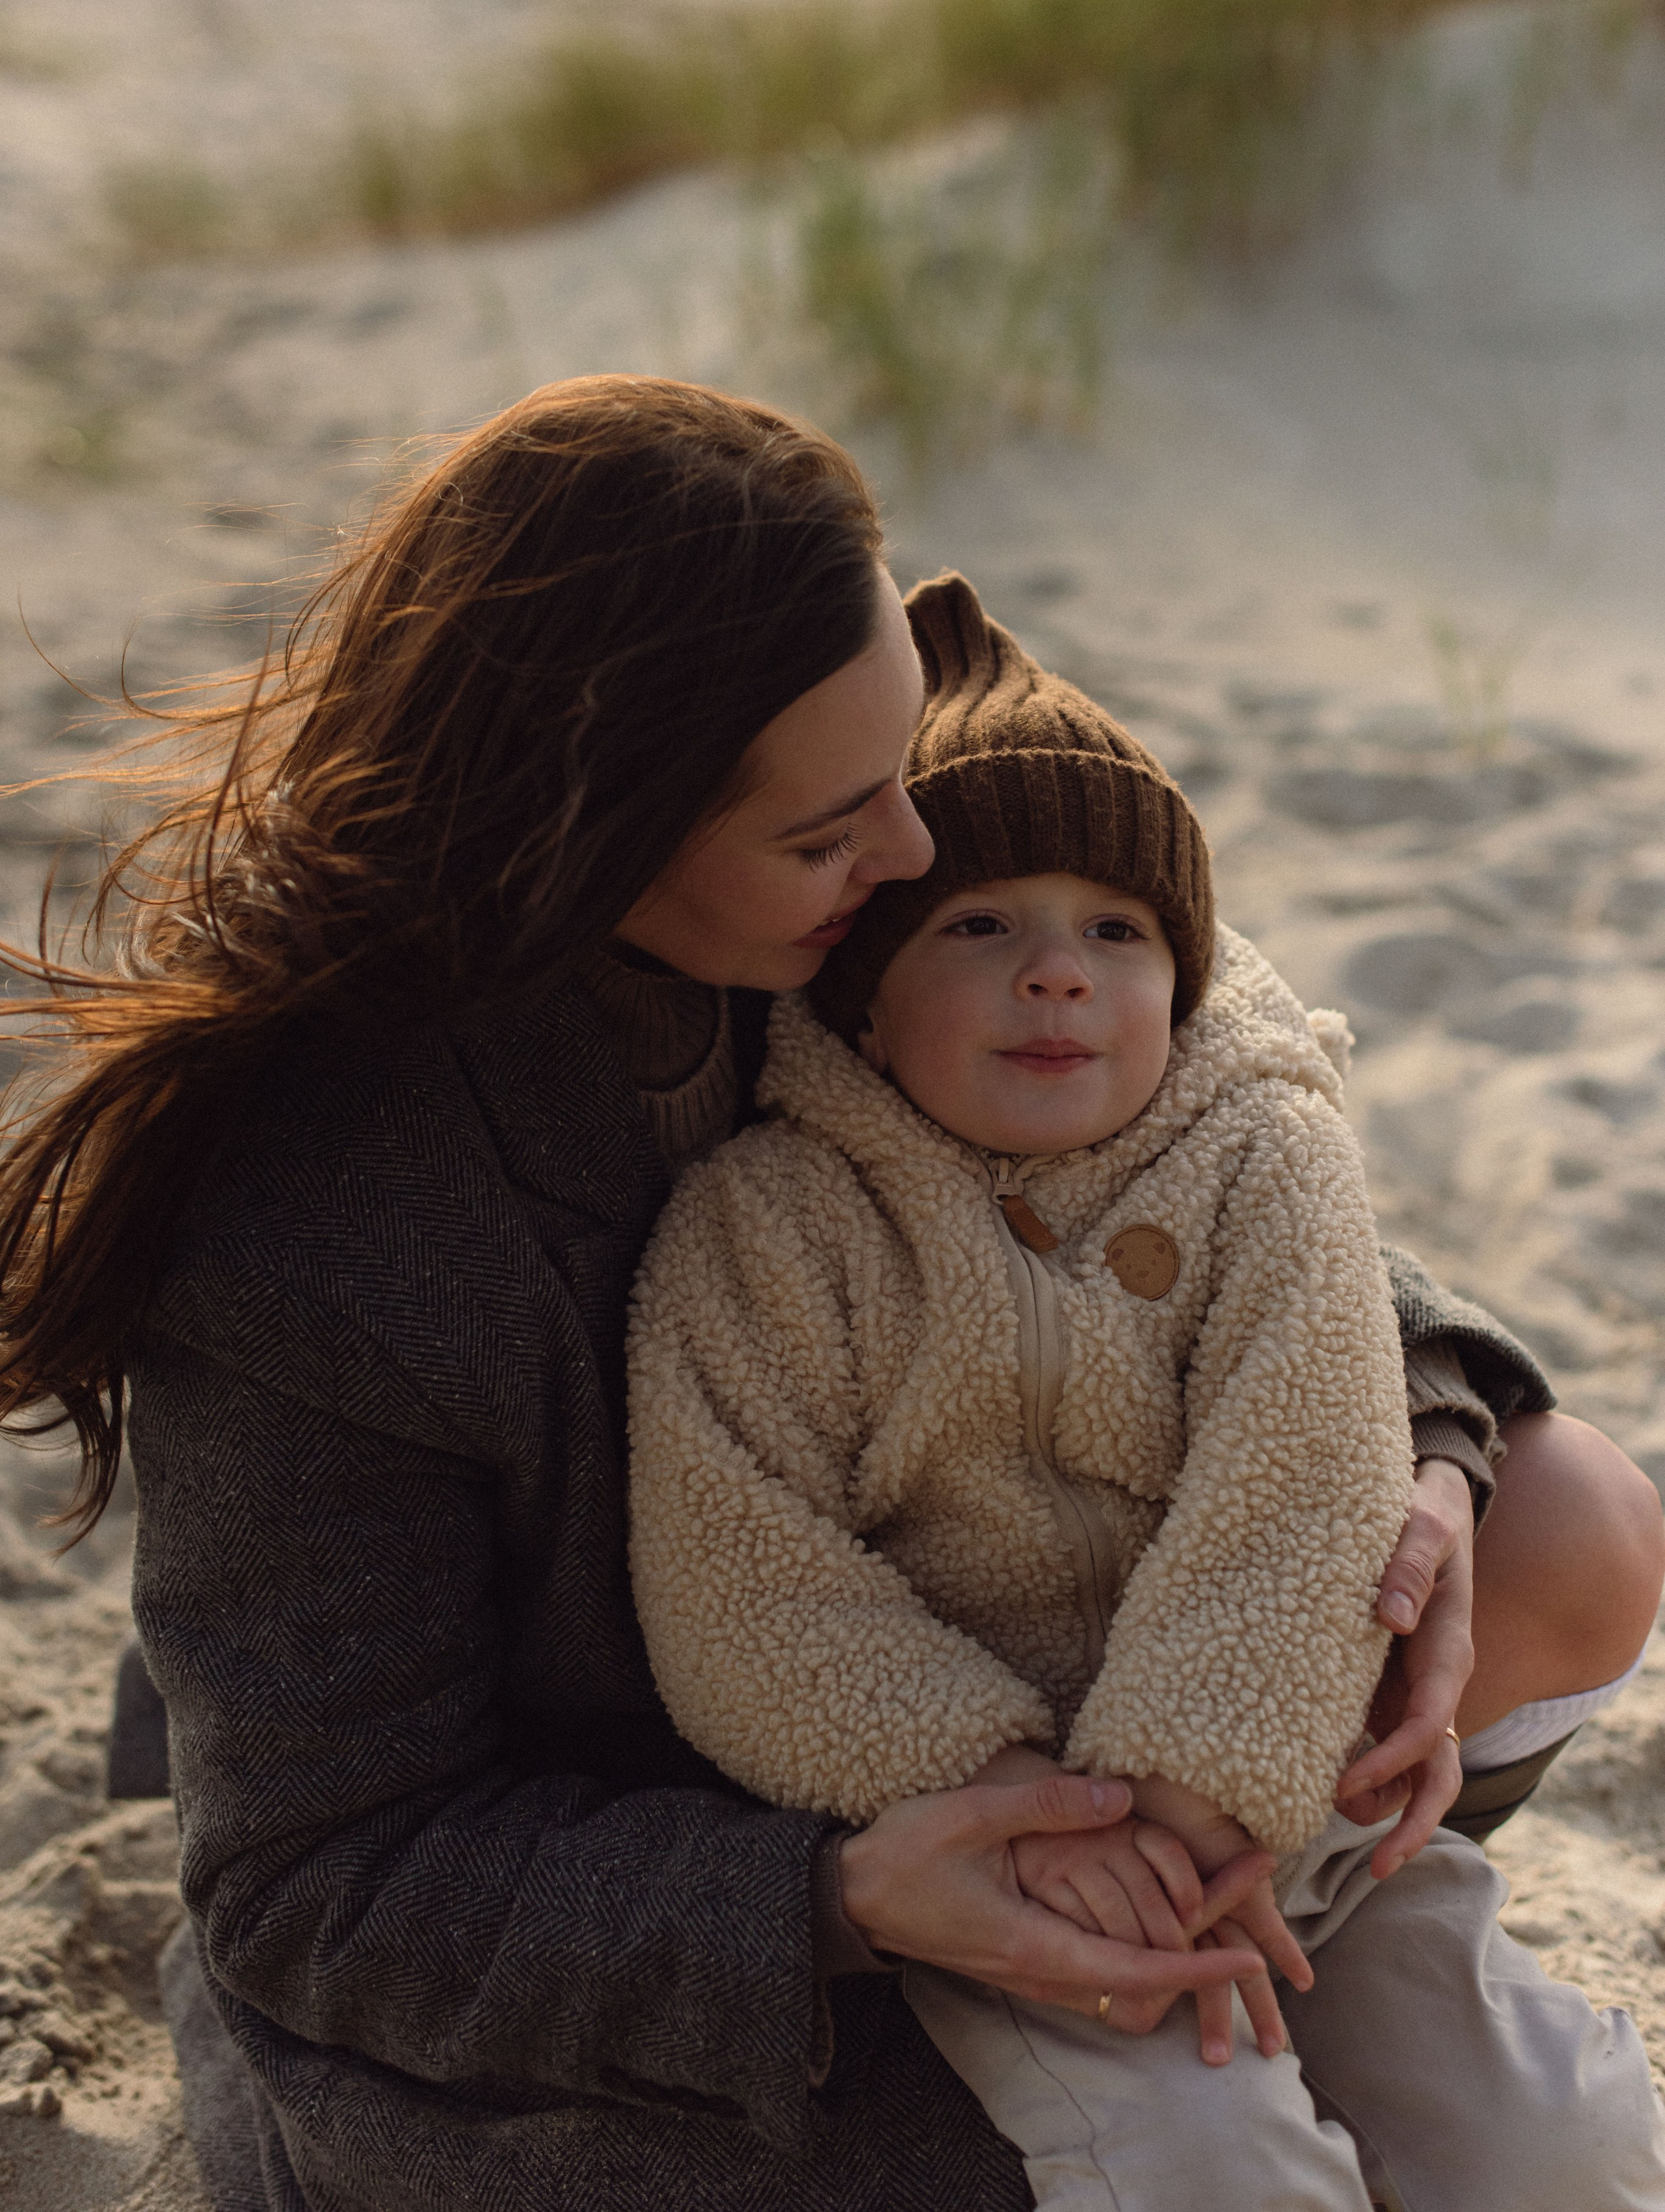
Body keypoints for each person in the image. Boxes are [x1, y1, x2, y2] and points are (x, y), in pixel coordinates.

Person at [0, 377, 1656, 2211]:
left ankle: (1261, 1925)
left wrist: (1424, 1446)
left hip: (1082, 1701)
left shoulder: (836, 910)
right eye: (830, 828)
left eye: (897, 775)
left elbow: (1202, 1148)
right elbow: (321, 1889)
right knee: (1138, 2152)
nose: (919, 855)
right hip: (651, 1868)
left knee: (1568, 1509)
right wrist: (837, 1900)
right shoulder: (323, 1211)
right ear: (599, 820)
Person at [628, 571, 1665, 2211]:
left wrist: (1194, 1803)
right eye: (980, 928)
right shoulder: (772, 1224)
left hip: (1278, 1798)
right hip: (1007, 1858)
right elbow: (741, 1575)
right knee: (1205, 2156)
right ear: (862, 994)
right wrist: (1010, 1808)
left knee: (1551, 2138)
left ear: (1181, 984)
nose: (1057, 976)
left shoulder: (1257, 1161)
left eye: (1113, 933)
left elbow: (1311, 1463)